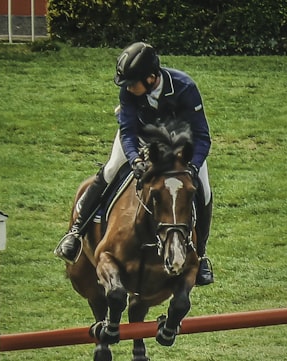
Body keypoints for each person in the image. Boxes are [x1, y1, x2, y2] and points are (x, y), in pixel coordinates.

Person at [55, 41, 215, 286]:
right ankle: (76, 232)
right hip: (139, 140)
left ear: (151, 78)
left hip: (180, 147)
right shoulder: (129, 90)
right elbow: (128, 131)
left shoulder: (184, 87)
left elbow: (202, 136)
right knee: (110, 170)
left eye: (132, 84)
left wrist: (192, 166)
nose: (128, 89)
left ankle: (201, 254)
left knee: (203, 188)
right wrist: (134, 159)